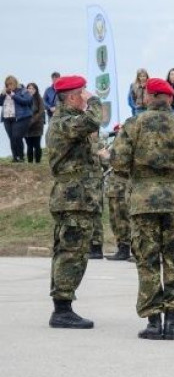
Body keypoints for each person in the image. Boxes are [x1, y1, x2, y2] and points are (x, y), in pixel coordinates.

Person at [111, 78, 174, 339]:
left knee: (147, 259)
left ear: (149, 97)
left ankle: (153, 322)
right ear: (171, 99)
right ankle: (172, 323)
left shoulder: (133, 124)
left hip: (144, 201)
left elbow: (118, 162)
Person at [45, 75, 101, 329]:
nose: (86, 97)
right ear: (71, 97)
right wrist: (96, 102)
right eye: (83, 93)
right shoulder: (64, 122)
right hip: (72, 198)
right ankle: (62, 310)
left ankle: (64, 306)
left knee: (74, 251)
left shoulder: (69, 121)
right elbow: (93, 119)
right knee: (70, 252)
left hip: (78, 197)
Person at [100, 123, 131, 261]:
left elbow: (124, 165)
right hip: (112, 187)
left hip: (122, 187)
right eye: (116, 132)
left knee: (122, 219)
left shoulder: (128, 147)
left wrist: (108, 157)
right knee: (114, 219)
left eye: (120, 132)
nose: (117, 135)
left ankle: (126, 248)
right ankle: (121, 246)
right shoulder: (114, 146)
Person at [2, 76, 33, 162]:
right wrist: (2, 94)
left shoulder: (23, 90)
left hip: (21, 117)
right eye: (7, 85)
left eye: (11, 84)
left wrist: (13, 96)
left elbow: (27, 101)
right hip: (7, 118)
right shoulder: (5, 92)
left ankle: (21, 157)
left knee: (17, 137)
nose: (9, 86)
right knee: (11, 138)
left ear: (15, 83)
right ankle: (15, 157)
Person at [25, 82, 45, 163]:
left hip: (37, 125)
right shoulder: (24, 98)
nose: (30, 90)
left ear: (36, 90)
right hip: (26, 126)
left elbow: (41, 111)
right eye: (29, 88)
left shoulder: (39, 99)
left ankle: (37, 162)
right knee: (29, 146)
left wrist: (32, 121)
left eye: (32, 88)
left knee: (37, 145)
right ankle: (30, 162)